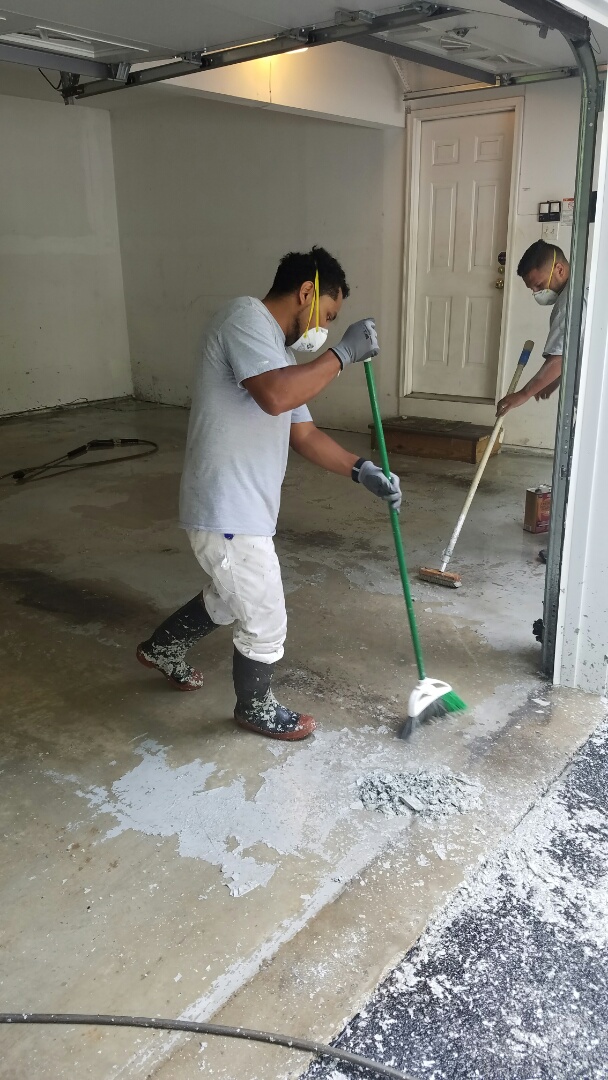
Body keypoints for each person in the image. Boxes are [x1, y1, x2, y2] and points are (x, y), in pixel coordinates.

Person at [137, 246, 401, 741]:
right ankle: (254, 709)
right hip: (227, 507)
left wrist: (362, 468)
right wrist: (341, 355)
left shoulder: (277, 354)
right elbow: (275, 396)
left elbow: (303, 432)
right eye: (327, 314)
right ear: (307, 292)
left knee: (227, 597)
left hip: (244, 507)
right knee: (265, 618)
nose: (325, 326)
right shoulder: (244, 319)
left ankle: (161, 648)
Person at [496, 240, 585, 418]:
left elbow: (559, 358)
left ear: (559, 269)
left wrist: (523, 394)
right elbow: (574, 350)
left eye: (539, 285)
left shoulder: (567, 304)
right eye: (532, 289)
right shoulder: (585, 287)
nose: (536, 293)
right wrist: (552, 381)